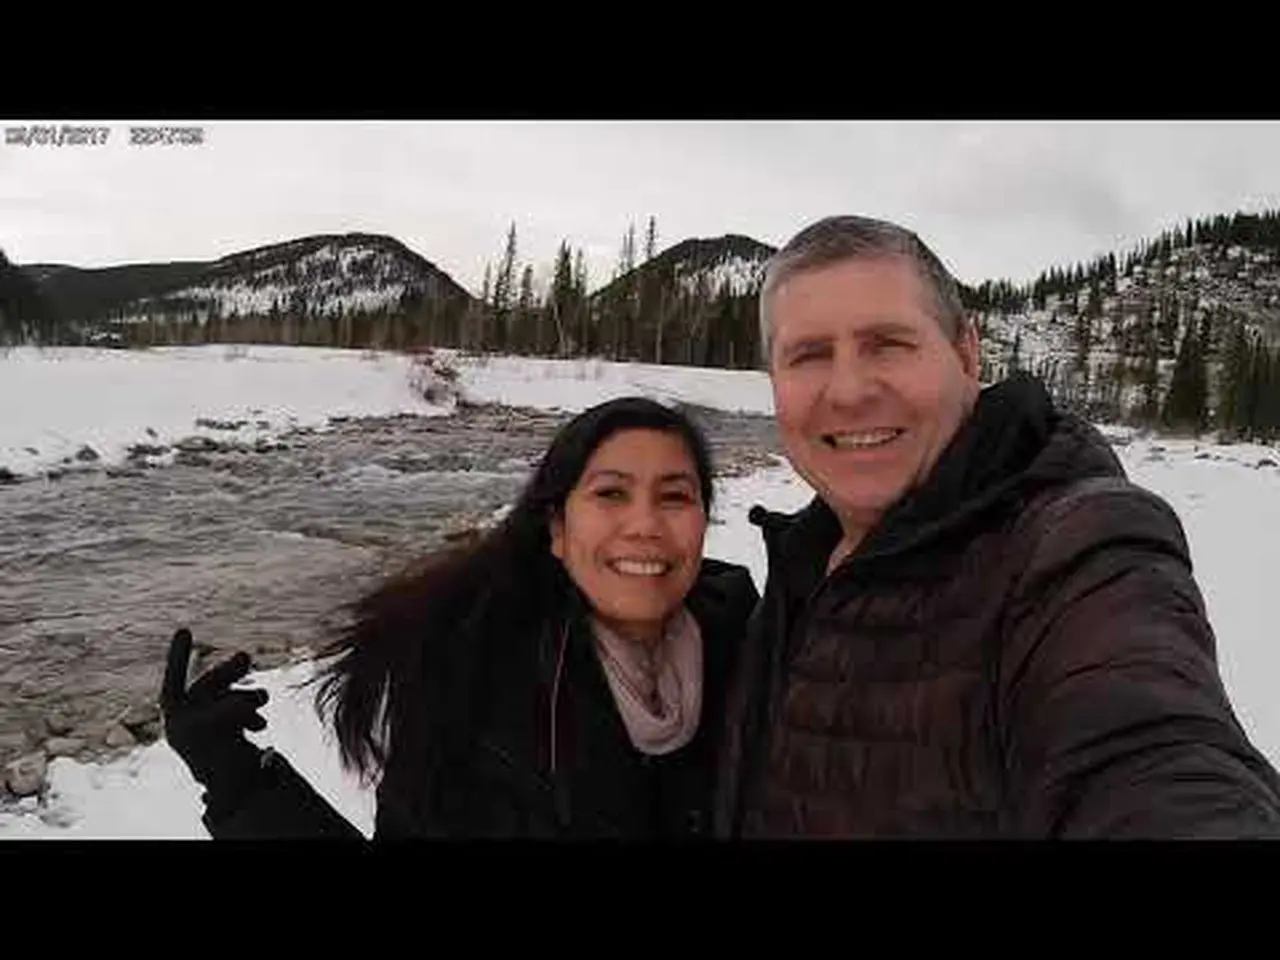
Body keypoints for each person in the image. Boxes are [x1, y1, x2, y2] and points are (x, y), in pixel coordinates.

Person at [712, 214, 1280, 839]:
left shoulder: (1075, 546)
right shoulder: (799, 563)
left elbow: (1155, 756)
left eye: (888, 344)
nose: (848, 391)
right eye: (809, 355)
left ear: (967, 353)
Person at [160, 396, 759, 838]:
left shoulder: (766, 659)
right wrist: (238, 783)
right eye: (610, 494)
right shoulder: (473, 692)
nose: (645, 525)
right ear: (556, 528)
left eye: (675, 496)